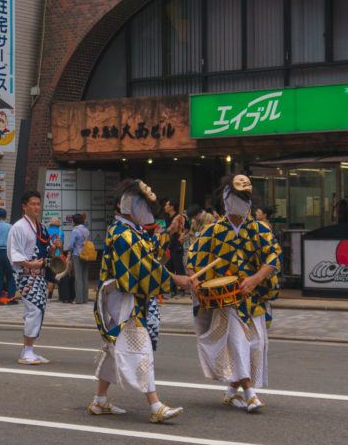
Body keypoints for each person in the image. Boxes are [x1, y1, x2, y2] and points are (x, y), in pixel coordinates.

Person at [90, 179, 191, 424]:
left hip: (126, 299)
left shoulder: (128, 230)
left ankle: (100, 400)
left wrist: (170, 232)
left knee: (116, 350)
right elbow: (144, 267)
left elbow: (149, 253)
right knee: (141, 349)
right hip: (124, 302)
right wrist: (175, 279)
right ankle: (155, 405)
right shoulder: (123, 234)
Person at [188, 174, 281, 413]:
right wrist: (196, 281)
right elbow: (193, 258)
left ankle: (232, 391)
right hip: (227, 298)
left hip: (253, 296)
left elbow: (273, 258)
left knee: (256, 344)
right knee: (239, 342)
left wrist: (256, 278)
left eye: (245, 198)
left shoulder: (259, 229)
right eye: (236, 197)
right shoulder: (214, 230)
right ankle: (250, 393)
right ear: (227, 199)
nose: (240, 203)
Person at [8, 191, 51, 365]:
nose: (36, 207)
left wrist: (54, 246)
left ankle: (29, 348)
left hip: (39, 275)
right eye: (32, 204)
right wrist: (30, 264)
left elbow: (46, 249)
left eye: (38, 204)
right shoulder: (18, 227)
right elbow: (14, 254)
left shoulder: (41, 227)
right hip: (26, 276)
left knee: (39, 310)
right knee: (33, 309)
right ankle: (27, 350)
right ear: (24, 206)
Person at [67, 213, 90, 304]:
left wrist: (69, 251)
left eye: (72, 220)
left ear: (75, 221)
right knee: (85, 276)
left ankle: (79, 299)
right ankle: (85, 298)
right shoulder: (87, 230)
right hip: (87, 254)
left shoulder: (75, 231)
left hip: (77, 255)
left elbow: (71, 245)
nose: (71, 222)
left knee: (78, 278)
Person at [163, 199, 187, 275]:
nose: (165, 207)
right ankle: (172, 286)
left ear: (171, 207)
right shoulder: (167, 217)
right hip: (170, 246)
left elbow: (187, 228)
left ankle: (185, 286)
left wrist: (183, 234)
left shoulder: (180, 217)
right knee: (169, 269)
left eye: (167, 205)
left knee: (179, 270)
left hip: (177, 247)